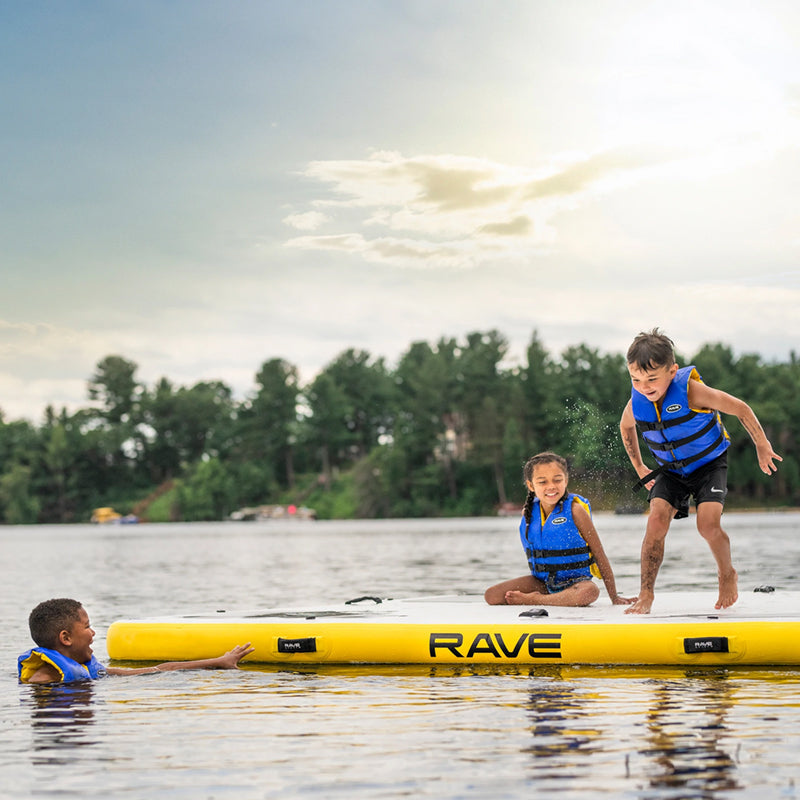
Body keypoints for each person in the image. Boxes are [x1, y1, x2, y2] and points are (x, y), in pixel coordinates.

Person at [619, 328, 782, 615]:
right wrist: (640, 467)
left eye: (652, 378)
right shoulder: (637, 403)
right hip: (671, 471)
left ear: (672, 371)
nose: (644, 386)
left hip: (709, 466)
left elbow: (740, 408)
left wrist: (761, 444)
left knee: (707, 525)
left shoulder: (693, 392)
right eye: (636, 379)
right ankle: (646, 594)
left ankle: (727, 574)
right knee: (655, 522)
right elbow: (626, 426)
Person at [485, 451, 635, 607]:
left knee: (590, 591)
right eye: (542, 482)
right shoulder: (529, 513)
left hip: (576, 584)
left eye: (557, 480)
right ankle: (552, 598)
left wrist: (614, 597)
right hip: (542, 583)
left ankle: (535, 600)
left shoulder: (576, 511)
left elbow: (599, 554)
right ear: (531, 485)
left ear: (566, 480)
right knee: (492, 595)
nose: (551, 486)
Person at [18, 598, 254, 684]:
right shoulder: (43, 680)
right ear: (66, 638)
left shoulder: (88, 670)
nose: (94, 633)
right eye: (87, 626)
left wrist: (219, 661)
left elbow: (159, 670)